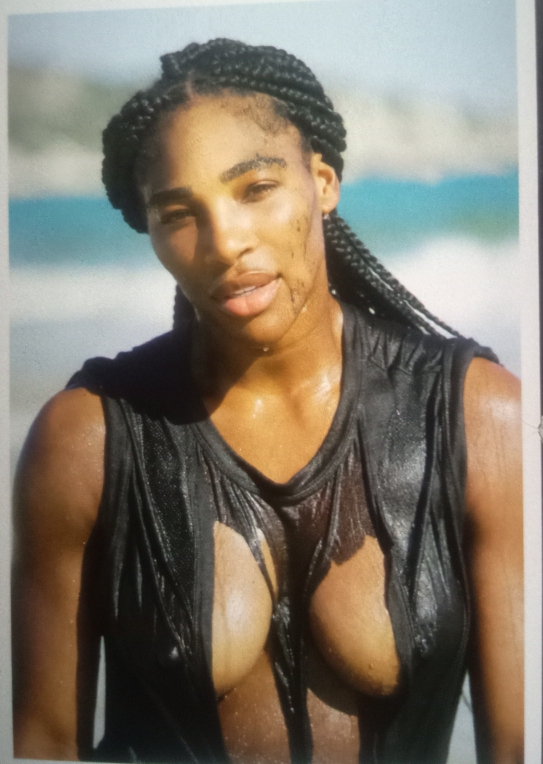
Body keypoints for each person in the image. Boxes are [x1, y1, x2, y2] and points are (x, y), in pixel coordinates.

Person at [11, 39, 523, 764]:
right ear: (150, 230)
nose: (224, 242)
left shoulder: (478, 419)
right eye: (178, 213)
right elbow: (43, 744)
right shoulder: (86, 442)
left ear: (322, 181)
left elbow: (518, 744)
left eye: (255, 189)